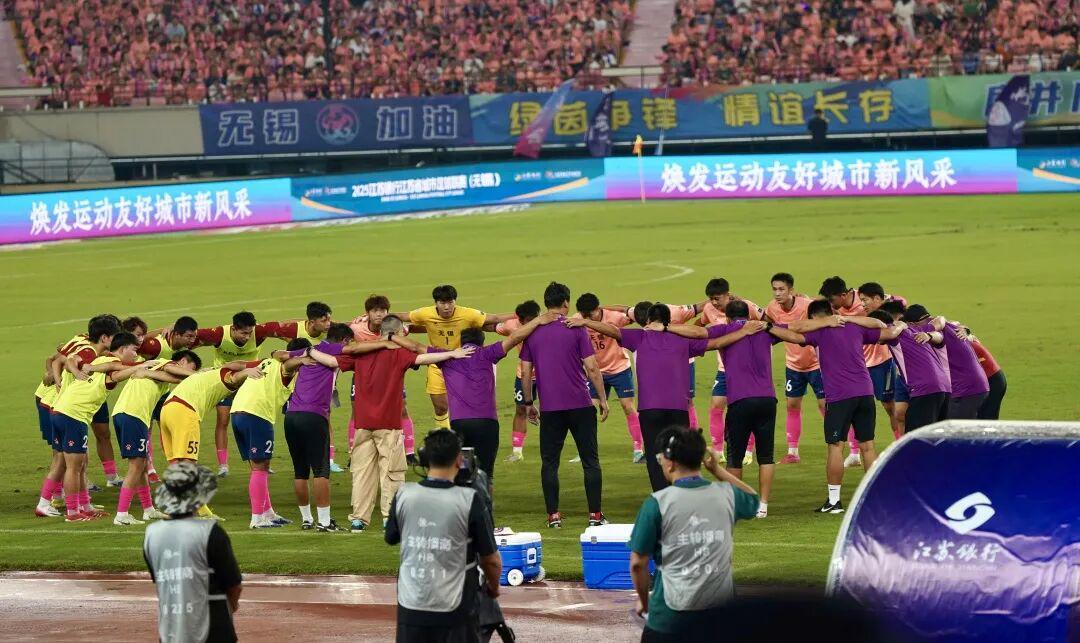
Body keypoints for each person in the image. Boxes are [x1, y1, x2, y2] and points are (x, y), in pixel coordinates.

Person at [570, 303, 755, 493]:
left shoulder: (639, 337)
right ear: (669, 321)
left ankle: (661, 496)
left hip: (649, 409)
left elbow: (612, 330)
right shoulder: (683, 339)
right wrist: (744, 332)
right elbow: (715, 343)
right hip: (678, 409)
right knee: (680, 454)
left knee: (654, 456)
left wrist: (585, 322)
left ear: (649, 320)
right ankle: (680, 493)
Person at [336, 316, 474, 533]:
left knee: (362, 472)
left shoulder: (361, 352)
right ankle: (389, 518)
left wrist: (306, 354)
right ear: (399, 332)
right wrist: (452, 353)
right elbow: (424, 357)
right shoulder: (398, 354)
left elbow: (335, 359)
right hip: (388, 424)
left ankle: (358, 520)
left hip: (362, 424)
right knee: (392, 472)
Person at [630, 427, 760, 642]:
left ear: (670, 462)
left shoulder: (658, 503)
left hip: (669, 620)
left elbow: (637, 564)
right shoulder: (727, 495)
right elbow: (753, 500)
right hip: (720, 621)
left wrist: (644, 603)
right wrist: (718, 471)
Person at [385, 429, 501, 643]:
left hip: (411, 605)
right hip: (455, 610)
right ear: (459, 460)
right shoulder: (468, 499)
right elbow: (491, 560)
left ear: (424, 458)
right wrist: (493, 589)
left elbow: (391, 536)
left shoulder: (404, 494)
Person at [521, 282, 609, 529]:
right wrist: (602, 399)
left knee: (550, 463)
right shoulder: (576, 327)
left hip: (550, 409)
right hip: (581, 404)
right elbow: (592, 367)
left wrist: (528, 403)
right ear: (566, 303)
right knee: (590, 460)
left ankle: (553, 517)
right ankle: (595, 516)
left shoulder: (533, 332)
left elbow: (526, 373)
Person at [787, 301, 887, 514]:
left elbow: (793, 331)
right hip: (865, 393)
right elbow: (881, 327)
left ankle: (834, 501)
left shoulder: (819, 332)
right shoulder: (855, 327)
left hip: (840, 397)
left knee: (835, 446)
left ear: (814, 317)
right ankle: (877, 498)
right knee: (868, 446)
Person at [189, 311, 297, 478]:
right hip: (226, 381)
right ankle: (223, 465)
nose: (247, 337)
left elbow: (286, 326)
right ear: (233, 329)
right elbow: (189, 337)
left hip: (249, 379)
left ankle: (257, 461)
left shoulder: (259, 332)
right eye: (243, 333)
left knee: (254, 417)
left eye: (249, 333)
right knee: (223, 420)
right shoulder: (219, 334)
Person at [51, 332, 145, 522]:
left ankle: (85, 507)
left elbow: (72, 359)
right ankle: (72, 513)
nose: (136, 355)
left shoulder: (100, 359)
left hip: (63, 411)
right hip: (73, 414)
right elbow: (119, 370)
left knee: (80, 465)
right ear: (123, 348)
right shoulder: (110, 364)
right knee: (74, 467)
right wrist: (143, 366)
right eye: (134, 350)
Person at [144, 462, 242, 643]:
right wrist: (231, 607)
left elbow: (161, 579)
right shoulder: (210, 532)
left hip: (170, 631)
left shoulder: (151, 534)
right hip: (213, 630)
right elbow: (233, 584)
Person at [33, 315, 120, 517]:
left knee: (76, 462)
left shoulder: (85, 343)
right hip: (65, 410)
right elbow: (66, 361)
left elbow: (57, 359)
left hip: (60, 407)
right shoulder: (89, 352)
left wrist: (58, 379)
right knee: (68, 462)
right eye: (115, 336)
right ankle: (63, 506)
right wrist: (66, 377)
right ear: (105, 337)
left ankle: (81, 505)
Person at [158, 357, 264, 519]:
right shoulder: (226, 376)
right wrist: (247, 372)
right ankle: (202, 512)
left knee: (177, 464)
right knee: (188, 463)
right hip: (185, 411)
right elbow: (235, 377)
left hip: (167, 410)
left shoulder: (211, 375)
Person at [396, 285, 514, 429]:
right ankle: (446, 436)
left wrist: (522, 316)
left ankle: (464, 432)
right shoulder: (425, 314)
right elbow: (402, 316)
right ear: (436, 303)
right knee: (440, 407)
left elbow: (495, 318)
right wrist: (375, 317)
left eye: (450, 302)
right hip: (437, 362)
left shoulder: (468, 314)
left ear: (455, 301)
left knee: (466, 403)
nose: (447, 307)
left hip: (461, 365)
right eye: (442, 303)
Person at [230, 339, 317, 529]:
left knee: (259, 466)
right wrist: (302, 360)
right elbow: (289, 365)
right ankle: (257, 518)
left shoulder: (266, 362)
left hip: (237, 413)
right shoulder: (287, 367)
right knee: (260, 466)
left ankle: (267, 512)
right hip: (257, 414)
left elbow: (241, 364)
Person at [111, 350, 201, 525]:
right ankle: (121, 515)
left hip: (130, 415)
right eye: (189, 368)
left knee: (142, 464)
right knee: (136, 466)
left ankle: (148, 510)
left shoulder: (157, 374)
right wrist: (197, 375)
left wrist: (194, 376)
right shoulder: (163, 362)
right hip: (132, 415)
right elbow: (171, 370)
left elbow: (174, 378)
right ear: (182, 361)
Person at [820, 277, 901, 467]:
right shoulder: (836, 311)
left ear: (843, 295)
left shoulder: (864, 299)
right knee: (851, 406)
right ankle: (854, 452)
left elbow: (898, 302)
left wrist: (879, 305)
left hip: (881, 361)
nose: (831, 305)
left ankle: (899, 446)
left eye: (832, 300)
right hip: (859, 365)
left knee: (890, 407)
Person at [284, 323, 356, 531]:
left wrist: (303, 355)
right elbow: (359, 352)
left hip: (291, 416)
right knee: (321, 471)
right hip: (314, 416)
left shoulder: (311, 349)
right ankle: (324, 522)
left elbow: (278, 354)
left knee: (300, 471)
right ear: (344, 341)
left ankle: (306, 519)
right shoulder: (338, 350)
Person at [695, 278, 763, 466]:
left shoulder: (745, 306)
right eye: (711, 299)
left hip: (748, 369)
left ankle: (748, 450)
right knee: (716, 405)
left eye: (717, 298)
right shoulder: (709, 309)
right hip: (724, 369)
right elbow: (699, 324)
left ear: (728, 295)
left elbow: (768, 321)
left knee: (746, 408)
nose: (714, 302)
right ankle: (718, 451)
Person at [573, 293, 644, 463]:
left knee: (628, 407)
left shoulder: (614, 317)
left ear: (598, 309)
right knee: (588, 410)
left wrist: (613, 307)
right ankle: (585, 451)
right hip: (595, 372)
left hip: (619, 369)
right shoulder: (577, 319)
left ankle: (638, 449)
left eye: (590, 314)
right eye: (584, 315)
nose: (587, 318)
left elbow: (635, 314)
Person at [765, 273, 825, 464]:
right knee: (792, 405)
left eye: (781, 289)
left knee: (826, 405)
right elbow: (771, 329)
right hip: (793, 365)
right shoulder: (772, 308)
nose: (777, 293)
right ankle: (792, 452)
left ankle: (846, 447)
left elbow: (823, 317)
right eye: (774, 289)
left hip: (817, 364)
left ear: (791, 290)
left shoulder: (806, 305)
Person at [350, 295, 417, 466]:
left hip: (390, 375)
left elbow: (412, 329)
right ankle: (353, 453)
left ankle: (409, 452)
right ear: (367, 313)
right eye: (375, 311)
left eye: (383, 310)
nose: (379, 314)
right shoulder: (356, 329)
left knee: (402, 408)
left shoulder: (396, 328)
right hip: (364, 376)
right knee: (356, 411)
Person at [875, 305, 952, 431]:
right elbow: (940, 321)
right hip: (944, 387)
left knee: (916, 436)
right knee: (938, 436)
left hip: (925, 389)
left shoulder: (893, 334)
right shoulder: (917, 330)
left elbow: (885, 334)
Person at [857, 282, 910, 439]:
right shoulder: (861, 313)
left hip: (883, 362)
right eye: (861, 300)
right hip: (864, 363)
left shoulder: (891, 309)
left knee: (892, 406)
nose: (862, 304)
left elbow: (901, 301)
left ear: (877, 298)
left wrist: (885, 299)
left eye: (865, 300)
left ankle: (900, 441)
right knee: (877, 406)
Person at [915, 309, 989, 420]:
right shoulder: (948, 327)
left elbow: (942, 324)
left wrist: (928, 334)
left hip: (972, 385)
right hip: (971, 384)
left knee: (959, 425)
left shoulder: (937, 330)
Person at [494, 300, 542, 463]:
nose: (535, 322)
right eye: (529, 320)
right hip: (523, 375)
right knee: (521, 410)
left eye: (536, 317)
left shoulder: (546, 324)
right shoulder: (512, 325)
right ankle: (517, 452)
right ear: (520, 320)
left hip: (546, 374)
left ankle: (552, 446)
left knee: (552, 411)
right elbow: (493, 327)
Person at [967, 332, 1006, 419]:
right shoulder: (963, 337)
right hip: (990, 379)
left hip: (992, 380)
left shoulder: (958, 341)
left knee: (986, 418)